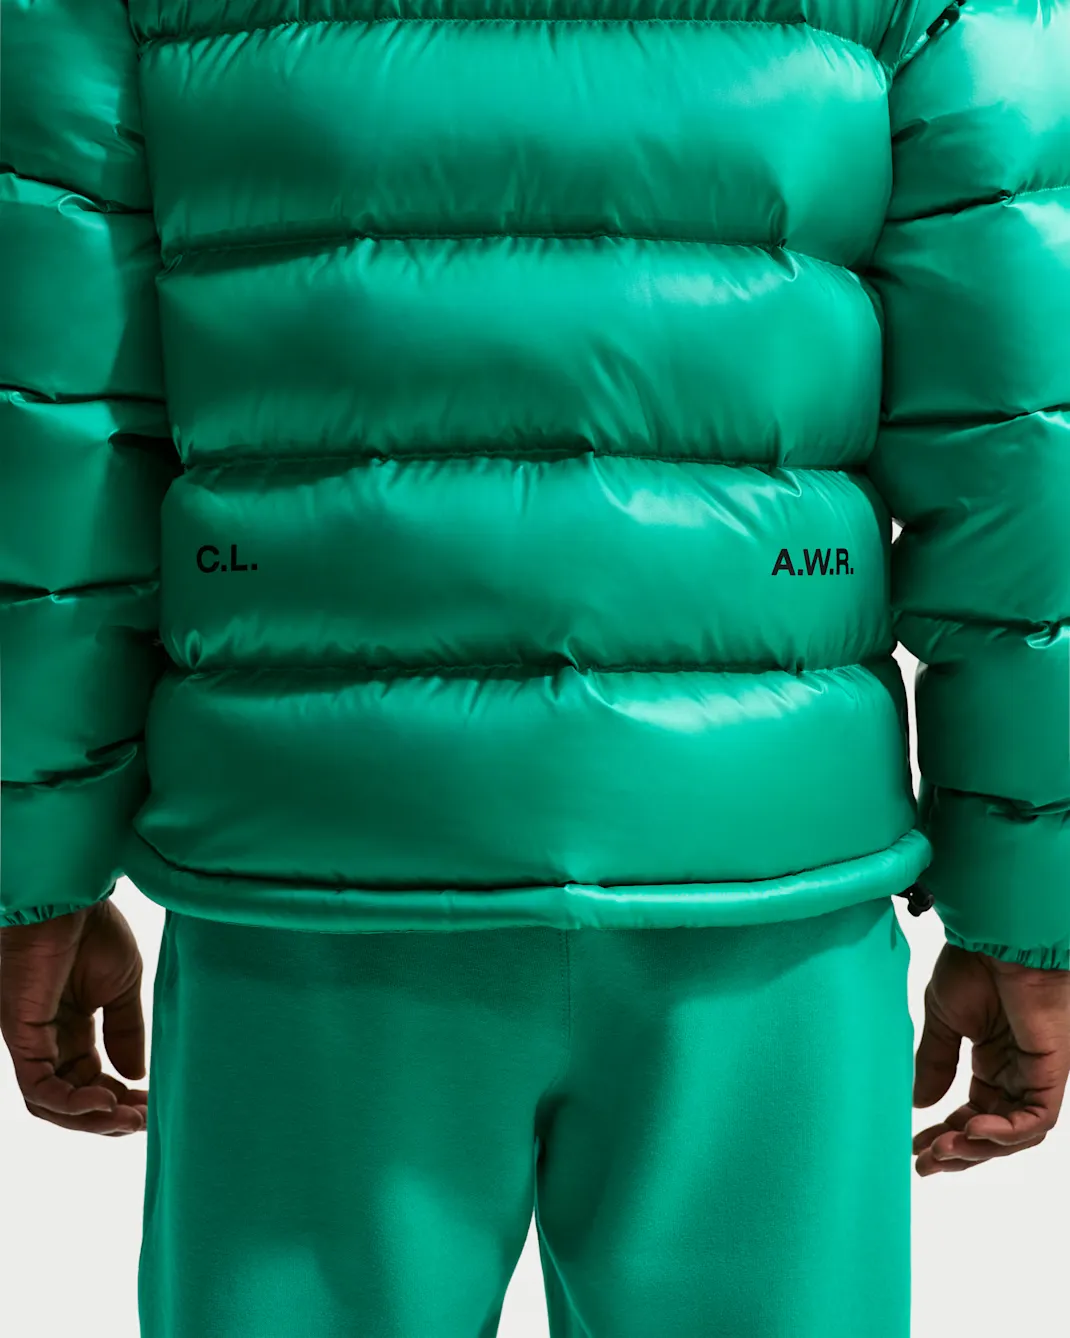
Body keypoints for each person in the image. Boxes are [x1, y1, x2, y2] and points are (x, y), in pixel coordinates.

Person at [1, 0, 1068, 1334]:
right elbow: (1023, 442)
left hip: (318, 863)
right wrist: (1030, 895)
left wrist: (34, 856)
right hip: (755, 873)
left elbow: (48, 433)